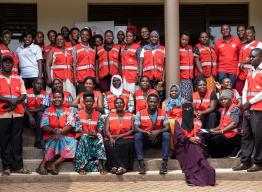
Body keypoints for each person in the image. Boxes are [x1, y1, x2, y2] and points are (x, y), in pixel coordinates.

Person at [0, 56, 31, 176]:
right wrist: (10, 100)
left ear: (13, 65)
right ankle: (7, 167)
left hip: (17, 113)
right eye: (5, 62)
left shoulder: (18, 78)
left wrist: (15, 102)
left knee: (17, 140)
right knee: (4, 141)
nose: (7, 64)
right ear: (1, 65)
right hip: (3, 114)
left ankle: (18, 167)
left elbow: (23, 95)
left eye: (9, 63)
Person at [233, 48, 262, 172]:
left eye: (252, 57)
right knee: (246, 135)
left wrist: (249, 102)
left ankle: (259, 163)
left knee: (258, 136)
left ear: (260, 58)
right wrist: (245, 104)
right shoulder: (250, 71)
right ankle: (245, 161)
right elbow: (245, 89)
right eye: (250, 57)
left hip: (258, 109)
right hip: (248, 108)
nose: (250, 59)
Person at [36, 90, 77, 175]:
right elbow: (43, 126)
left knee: (73, 143)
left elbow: (70, 125)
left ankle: (53, 164)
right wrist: (53, 131)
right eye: (55, 97)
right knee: (56, 138)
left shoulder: (69, 110)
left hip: (65, 135)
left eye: (59, 97)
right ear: (52, 99)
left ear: (63, 99)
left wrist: (60, 131)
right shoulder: (48, 110)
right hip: (51, 136)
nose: (56, 99)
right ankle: (42, 165)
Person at [174, 102, 215, 186]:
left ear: (193, 110)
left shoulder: (198, 121)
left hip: (196, 144)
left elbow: (201, 135)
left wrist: (198, 139)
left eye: (190, 109)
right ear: (182, 110)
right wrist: (189, 139)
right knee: (194, 148)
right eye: (185, 109)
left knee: (195, 147)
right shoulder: (178, 121)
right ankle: (192, 176)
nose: (188, 111)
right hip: (183, 147)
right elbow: (179, 137)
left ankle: (203, 175)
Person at [134, 93, 170, 174]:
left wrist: (158, 131)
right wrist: (146, 132)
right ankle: (141, 164)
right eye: (150, 101)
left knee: (166, 134)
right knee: (137, 135)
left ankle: (164, 163)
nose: (152, 104)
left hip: (158, 139)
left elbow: (167, 127)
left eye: (155, 102)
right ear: (147, 102)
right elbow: (135, 128)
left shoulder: (163, 112)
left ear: (158, 103)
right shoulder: (140, 113)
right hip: (146, 139)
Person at [74, 91, 106, 175]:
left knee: (99, 136)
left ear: (94, 102)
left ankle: (100, 163)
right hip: (82, 138)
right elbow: (78, 129)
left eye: (91, 101)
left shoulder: (98, 114)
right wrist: (88, 133)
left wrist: (96, 132)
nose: (89, 103)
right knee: (85, 136)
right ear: (83, 102)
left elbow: (100, 128)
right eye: (87, 101)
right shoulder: (78, 114)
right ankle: (82, 166)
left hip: (94, 138)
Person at [206, 89, 241, 158]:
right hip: (225, 132)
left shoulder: (234, 109)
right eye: (221, 100)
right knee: (208, 137)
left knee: (214, 141)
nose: (223, 101)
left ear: (230, 99)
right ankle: (220, 154)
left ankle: (233, 150)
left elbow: (234, 124)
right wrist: (214, 129)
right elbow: (220, 125)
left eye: (225, 99)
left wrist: (219, 132)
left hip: (233, 135)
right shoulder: (224, 109)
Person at [104, 97, 134, 175]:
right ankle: (113, 167)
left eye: (121, 103)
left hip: (126, 137)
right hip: (112, 136)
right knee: (109, 144)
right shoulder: (109, 116)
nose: (119, 104)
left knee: (125, 143)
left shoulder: (130, 115)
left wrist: (120, 136)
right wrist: (110, 137)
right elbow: (106, 130)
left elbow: (133, 130)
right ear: (114, 105)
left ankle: (123, 167)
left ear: (124, 104)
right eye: (117, 103)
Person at [46, 34, 76, 98]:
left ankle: (69, 108)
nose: (59, 41)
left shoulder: (69, 51)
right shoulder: (52, 51)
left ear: (64, 41)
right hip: (56, 77)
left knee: (69, 95)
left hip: (68, 77)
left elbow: (73, 65)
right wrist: (49, 78)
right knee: (56, 96)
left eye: (61, 39)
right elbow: (48, 64)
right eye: (57, 40)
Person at [237, 26, 262, 95]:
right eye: (246, 33)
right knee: (240, 92)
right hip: (241, 73)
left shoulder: (259, 43)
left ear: (254, 34)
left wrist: (244, 62)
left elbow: (258, 57)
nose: (247, 34)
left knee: (250, 92)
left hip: (251, 72)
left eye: (249, 33)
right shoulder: (244, 45)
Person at [162, 84, 186, 151]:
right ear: (169, 92)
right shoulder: (165, 102)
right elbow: (164, 115)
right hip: (170, 120)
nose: (174, 92)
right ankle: (174, 148)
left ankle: (181, 147)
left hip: (181, 119)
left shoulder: (183, 101)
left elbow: (187, 112)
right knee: (172, 123)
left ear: (178, 91)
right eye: (172, 91)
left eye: (176, 91)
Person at [24, 78, 46, 149]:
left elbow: (42, 108)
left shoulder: (45, 93)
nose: (39, 85)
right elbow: (23, 106)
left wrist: (31, 111)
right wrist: (30, 116)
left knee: (40, 114)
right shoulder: (26, 92)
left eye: (41, 84)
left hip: (37, 117)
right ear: (33, 84)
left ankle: (38, 141)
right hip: (26, 117)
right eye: (37, 83)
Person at [179, 32, 201, 101]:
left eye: (186, 40)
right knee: (183, 97)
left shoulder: (192, 48)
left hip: (190, 77)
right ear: (180, 39)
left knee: (189, 97)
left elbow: (196, 61)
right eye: (183, 39)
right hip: (181, 77)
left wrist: (201, 72)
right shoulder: (176, 48)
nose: (185, 41)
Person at [73, 28, 96, 94]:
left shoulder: (92, 49)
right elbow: (74, 64)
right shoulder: (76, 47)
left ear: (89, 36)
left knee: (90, 99)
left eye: (86, 35)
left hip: (91, 78)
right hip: (81, 79)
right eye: (83, 34)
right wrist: (75, 78)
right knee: (81, 98)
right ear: (80, 35)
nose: (84, 36)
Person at [121, 26, 140, 93]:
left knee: (132, 95)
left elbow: (140, 63)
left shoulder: (138, 47)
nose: (128, 37)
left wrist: (139, 76)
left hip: (133, 77)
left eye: (130, 36)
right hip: (124, 76)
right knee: (125, 96)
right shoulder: (122, 47)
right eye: (127, 36)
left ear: (134, 37)